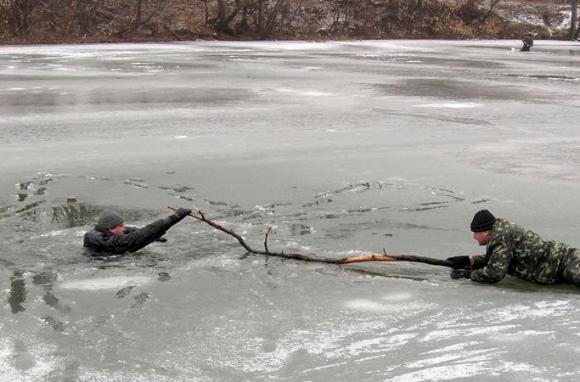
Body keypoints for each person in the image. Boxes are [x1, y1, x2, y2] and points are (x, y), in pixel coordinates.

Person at [446, 209, 580, 287]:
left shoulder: (501, 238)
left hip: (567, 262)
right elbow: (499, 259)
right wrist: (470, 260)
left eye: (476, 233)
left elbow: (495, 273)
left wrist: (469, 275)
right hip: (561, 265)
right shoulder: (498, 232)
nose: (474, 237)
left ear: (485, 232)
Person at [84, 208, 191, 255]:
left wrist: (155, 236)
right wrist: (174, 217)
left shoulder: (99, 232)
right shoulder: (108, 241)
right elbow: (139, 236)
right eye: (120, 226)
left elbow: (132, 231)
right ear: (110, 228)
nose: (124, 228)